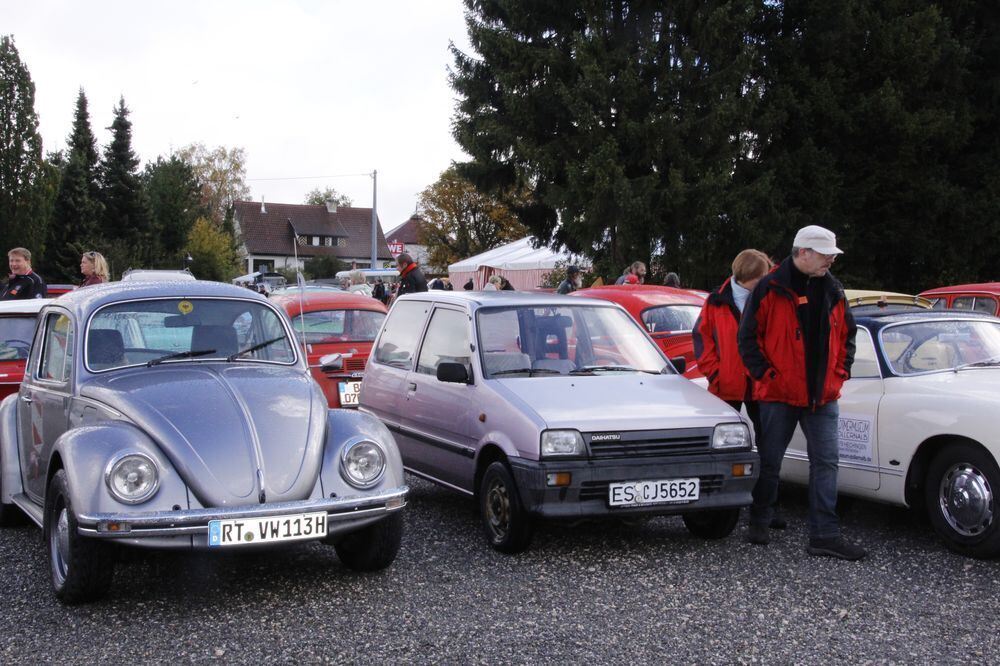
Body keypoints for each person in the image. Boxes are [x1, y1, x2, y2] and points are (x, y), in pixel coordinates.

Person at [738, 225, 864, 560]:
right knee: (770, 461)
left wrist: (839, 373)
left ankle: (825, 535)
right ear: (803, 252)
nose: (830, 262)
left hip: (822, 395)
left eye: (832, 256)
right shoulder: (769, 287)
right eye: (825, 255)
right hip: (779, 394)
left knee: (826, 462)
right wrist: (769, 377)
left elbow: (848, 336)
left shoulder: (833, 289)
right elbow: (747, 339)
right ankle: (760, 520)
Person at [692, 249, 776, 523]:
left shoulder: (768, 298)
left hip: (761, 385)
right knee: (718, 448)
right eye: (761, 277)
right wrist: (716, 373)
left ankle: (764, 508)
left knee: (769, 448)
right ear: (748, 277)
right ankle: (717, 508)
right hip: (726, 385)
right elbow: (702, 339)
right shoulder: (716, 301)